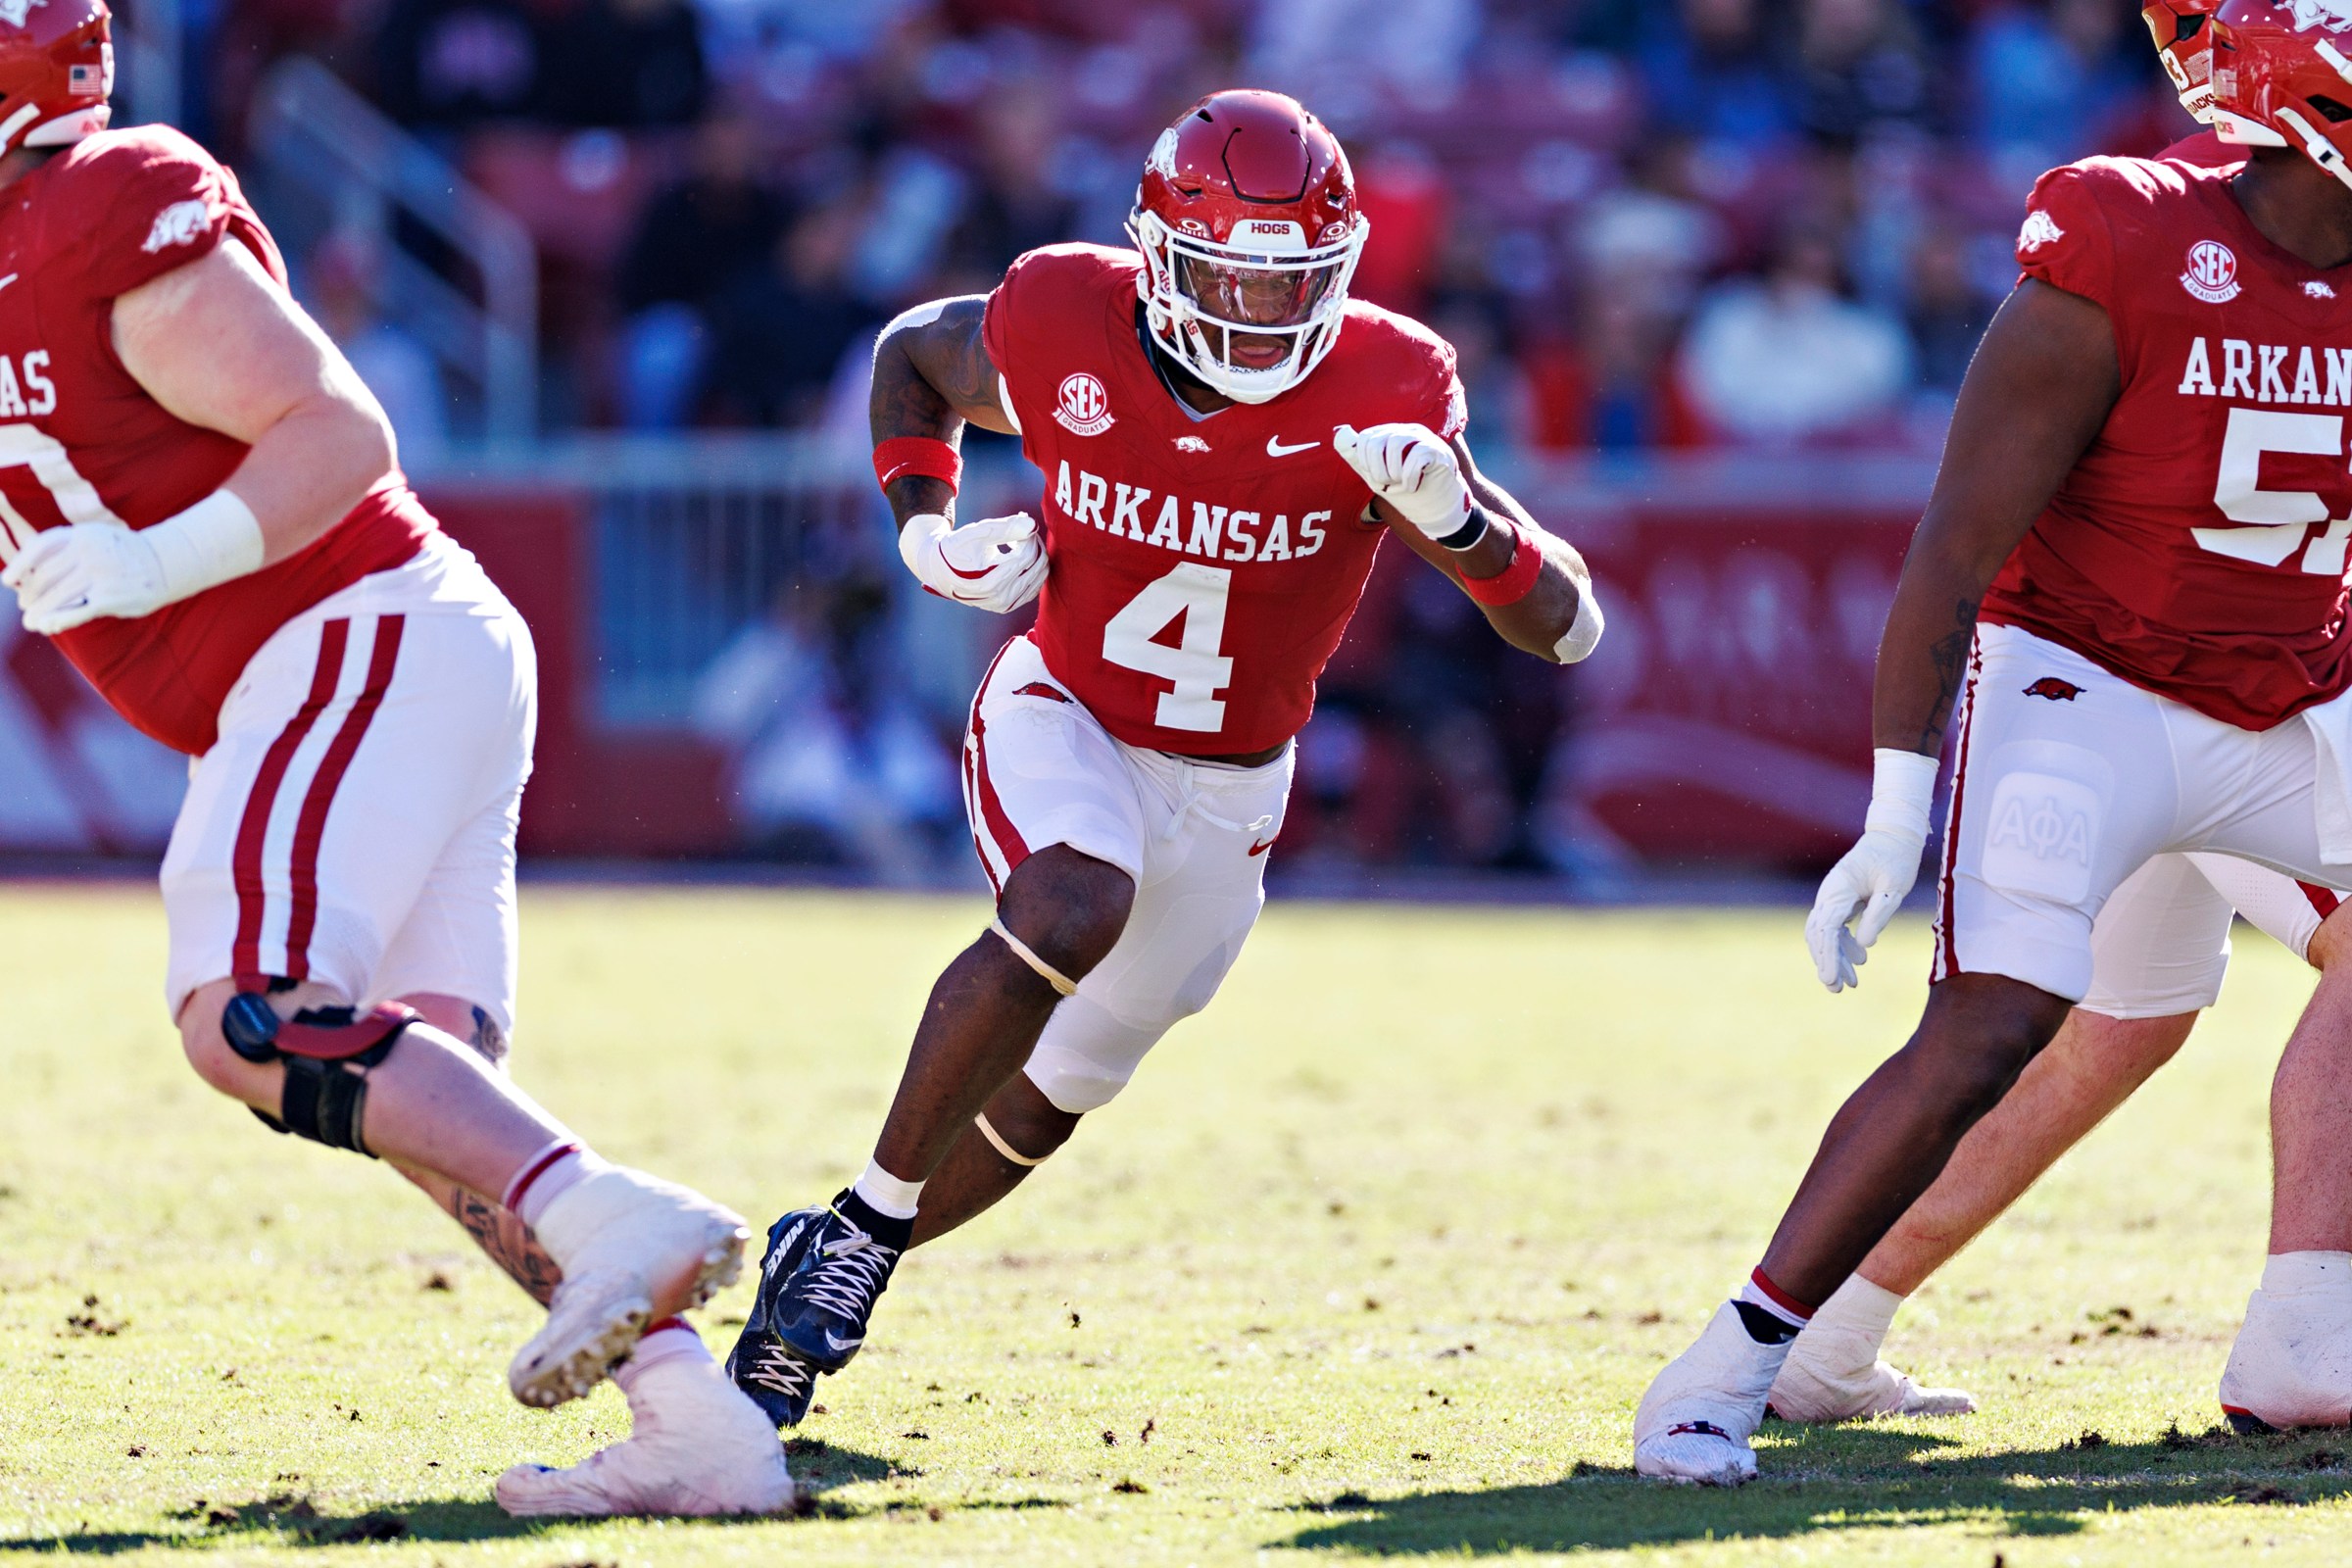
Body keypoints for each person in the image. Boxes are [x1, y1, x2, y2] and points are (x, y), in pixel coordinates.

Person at [0, 2, 787, 1518]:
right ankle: (696, 1424)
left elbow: (337, 428)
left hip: (353, 629)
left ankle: (609, 1215)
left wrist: (155, 562)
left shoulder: (97, 205)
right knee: (423, 1096)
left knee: (248, 1008)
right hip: (369, 658)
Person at [714, 89, 1603, 1426]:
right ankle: (869, 1227)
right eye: (1232, 277)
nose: (1261, 312)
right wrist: (921, 528)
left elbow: (1568, 627)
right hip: (1066, 709)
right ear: (1159, 253)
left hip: (1236, 787)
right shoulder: (1068, 312)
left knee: (1051, 1099)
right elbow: (913, 355)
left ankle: (845, 1246)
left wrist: (1467, 527)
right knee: (1075, 898)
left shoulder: (1389, 380)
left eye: (1292, 280)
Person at [1633, 0, 2352, 1486]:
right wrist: (1896, 813)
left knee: (2138, 1017)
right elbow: (1955, 544)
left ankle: (2307, 1330)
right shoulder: (2132, 237)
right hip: (2089, 690)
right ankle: (1736, 1362)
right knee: (1997, 1025)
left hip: (2281, 700)